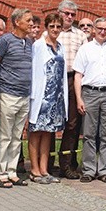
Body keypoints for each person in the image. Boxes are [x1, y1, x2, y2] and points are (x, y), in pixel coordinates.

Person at [74, 17, 106, 183]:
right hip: (89, 93)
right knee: (89, 134)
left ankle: (104, 170)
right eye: (100, 28)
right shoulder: (85, 49)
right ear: (94, 29)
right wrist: (79, 98)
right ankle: (89, 170)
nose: (103, 32)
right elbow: (78, 75)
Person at [0, 8, 33, 188]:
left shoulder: (30, 42)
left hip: (24, 95)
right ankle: (0, 174)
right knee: (4, 136)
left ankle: (12, 171)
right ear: (17, 22)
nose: (32, 24)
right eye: (28, 20)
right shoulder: (5, 41)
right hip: (7, 94)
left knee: (17, 137)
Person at [28, 13, 68, 184]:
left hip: (56, 96)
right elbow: (34, 71)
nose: (55, 29)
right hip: (41, 96)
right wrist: (33, 95)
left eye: (58, 26)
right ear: (46, 27)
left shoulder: (60, 46)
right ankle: (34, 169)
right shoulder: (38, 45)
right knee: (36, 132)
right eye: (52, 26)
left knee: (48, 133)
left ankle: (44, 169)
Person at [56, 0, 88, 180]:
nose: (69, 17)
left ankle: (67, 164)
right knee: (49, 124)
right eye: (66, 13)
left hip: (73, 79)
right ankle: (45, 164)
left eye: (72, 14)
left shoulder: (80, 36)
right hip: (53, 80)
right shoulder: (49, 33)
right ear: (58, 12)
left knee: (73, 124)